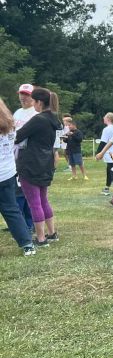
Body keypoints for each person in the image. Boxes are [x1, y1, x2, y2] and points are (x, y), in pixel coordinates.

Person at [14, 87, 62, 247]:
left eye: (33, 101)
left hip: (31, 164)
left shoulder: (38, 119)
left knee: (34, 202)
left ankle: (41, 238)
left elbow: (17, 136)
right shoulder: (53, 119)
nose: (32, 105)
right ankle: (52, 233)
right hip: (45, 162)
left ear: (39, 102)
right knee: (43, 199)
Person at [0, 97, 36, 256]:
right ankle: (27, 243)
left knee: (11, 209)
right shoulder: (10, 126)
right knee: (11, 209)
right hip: (7, 173)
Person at [12, 84, 36, 231]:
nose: (23, 97)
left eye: (26, 94)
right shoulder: (17, 112)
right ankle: (20, 221)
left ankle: (27, 222)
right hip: (14, 154)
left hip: (28, 154)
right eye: (21, 94)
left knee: (24, 189)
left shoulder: (35, 113)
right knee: (18, 188)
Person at [98, 112, 113, 196]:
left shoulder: (107, 129)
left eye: (104, 117)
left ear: (108, 119)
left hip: (110, 152)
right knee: (109, 169)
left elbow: (103, 142)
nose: (103, 118)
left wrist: (99, 153)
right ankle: (107, 187)